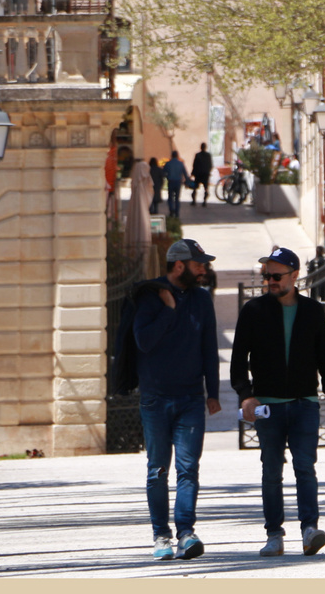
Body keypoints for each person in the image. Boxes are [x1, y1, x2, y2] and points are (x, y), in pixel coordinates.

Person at [230, 246, 325, 558]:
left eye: (277, 276)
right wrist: (246, 395)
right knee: (271, 471)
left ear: (295, 276)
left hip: (304, 403)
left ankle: (309, 530)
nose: (270, 281)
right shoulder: (253, 311)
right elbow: (238, 361)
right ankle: (274, 534)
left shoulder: (313, 311)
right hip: (268, 406)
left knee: (305, 467)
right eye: (267, 276)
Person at [132, 238, 222, 560]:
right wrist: (168, 311)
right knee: (158, 469)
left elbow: (209, 348)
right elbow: (143, 341)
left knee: (188, 468)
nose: (204, 270)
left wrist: (212, 392)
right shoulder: (150, 296)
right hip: (155, 398)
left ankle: (185, 532)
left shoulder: (201, 299)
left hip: (190, 398)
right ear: (179, 265)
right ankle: (161, 536)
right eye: (199, 264)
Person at [162, 150, 189, 218]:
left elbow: (163, 173)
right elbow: (185, 174)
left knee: (170, 197)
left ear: (171, 156)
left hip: (171, 181)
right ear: (177, 156)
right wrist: (187, 182)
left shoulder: (168, 164)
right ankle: (177, 212)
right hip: (178, 182)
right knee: (177, 198)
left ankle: (171, 210)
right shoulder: (181, 164)